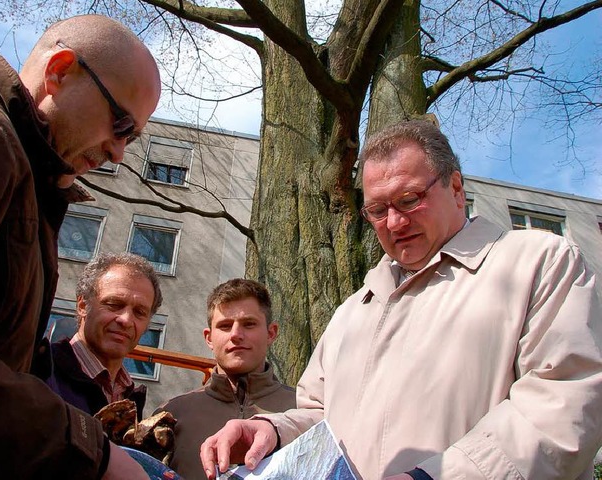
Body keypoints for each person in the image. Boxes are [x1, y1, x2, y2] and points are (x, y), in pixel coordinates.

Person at [200, 120, 602, 480]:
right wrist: (273, 430)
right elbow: (319, 415)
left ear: (457, 189)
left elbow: (563, 405)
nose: (394, 222)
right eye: (376, 210)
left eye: (409, 200)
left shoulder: (539, 262)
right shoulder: (352, 310)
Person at [0, 14, 161, 479]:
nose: (118, 152)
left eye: (132, 138)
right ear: (60, 71)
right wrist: (94, 451)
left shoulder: (25, 170)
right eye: (120, 123)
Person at [155, 278, 296, 480]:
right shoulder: (171, 416)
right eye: (225, 326)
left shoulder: (304, 412)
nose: (236, 335)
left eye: (249, 324)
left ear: (271, 333)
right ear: (209, 338)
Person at [44, 252, 162, 419]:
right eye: (114, 304)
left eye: (140, 312)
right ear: (83, 306)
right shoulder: (40, 373)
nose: (126, 320)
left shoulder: (130, 398)